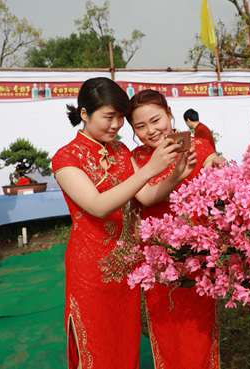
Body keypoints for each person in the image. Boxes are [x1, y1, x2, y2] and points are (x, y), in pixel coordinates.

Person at [52, 78, 196, 369]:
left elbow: (145, 196)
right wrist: (149, 169)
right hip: (91, 269)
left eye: (120, 116)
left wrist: (175, 176)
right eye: (109, 116)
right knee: (96, 347)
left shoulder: (120, 152)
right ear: (84, 114)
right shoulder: (66, 158)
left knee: (125, 345)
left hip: (127, 266)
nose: (116, 124)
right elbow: (97, 206)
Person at [129, 90, 225, 369]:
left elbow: (211, 165)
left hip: (198, 253)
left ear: (170, 114)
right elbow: (146, 197)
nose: (151, 130)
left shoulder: (198, 145)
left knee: (199, 325)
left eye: (156, 120)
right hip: (158, 256)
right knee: (166, 324)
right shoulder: (136, 158)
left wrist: (218, 164)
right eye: (140, 126)